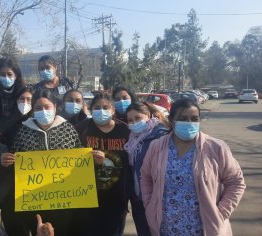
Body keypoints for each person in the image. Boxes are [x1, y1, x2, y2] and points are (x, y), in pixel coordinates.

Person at [140, 99, 246, 236]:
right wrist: (149, 206)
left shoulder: (216, 148)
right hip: (166, 228)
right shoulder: (156, 147)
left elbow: (236, 182)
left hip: (205, 229)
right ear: (172, 120)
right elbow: (145, 177)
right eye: (183, 118)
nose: (189, 123)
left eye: (194, 118)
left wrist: (221, 212)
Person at [0, 89, 81, 236]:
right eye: (38, 108)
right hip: (34, 201)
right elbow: (16, 165)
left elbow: (80, 162)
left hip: (64, 201)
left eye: (47, 107)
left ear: (55, 107)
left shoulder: (68, 129)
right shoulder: (23, 131)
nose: (43, 111)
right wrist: (7, 161)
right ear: (33, 109)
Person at [74, 92, 131, 236]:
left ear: (113, 110)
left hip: (117, 196)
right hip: (88, 196)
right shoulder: (82, 128)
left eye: (106, 107)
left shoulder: (125, 130)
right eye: (97, 107)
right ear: (91, 109)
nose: (101, 111)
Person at [123, 102, 170, 236]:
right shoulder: (132, 138)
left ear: (148, 115)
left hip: (157, 199)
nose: (134, 123)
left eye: (138, 118)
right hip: (138, 199)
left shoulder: (161, 136)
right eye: (130, 120)